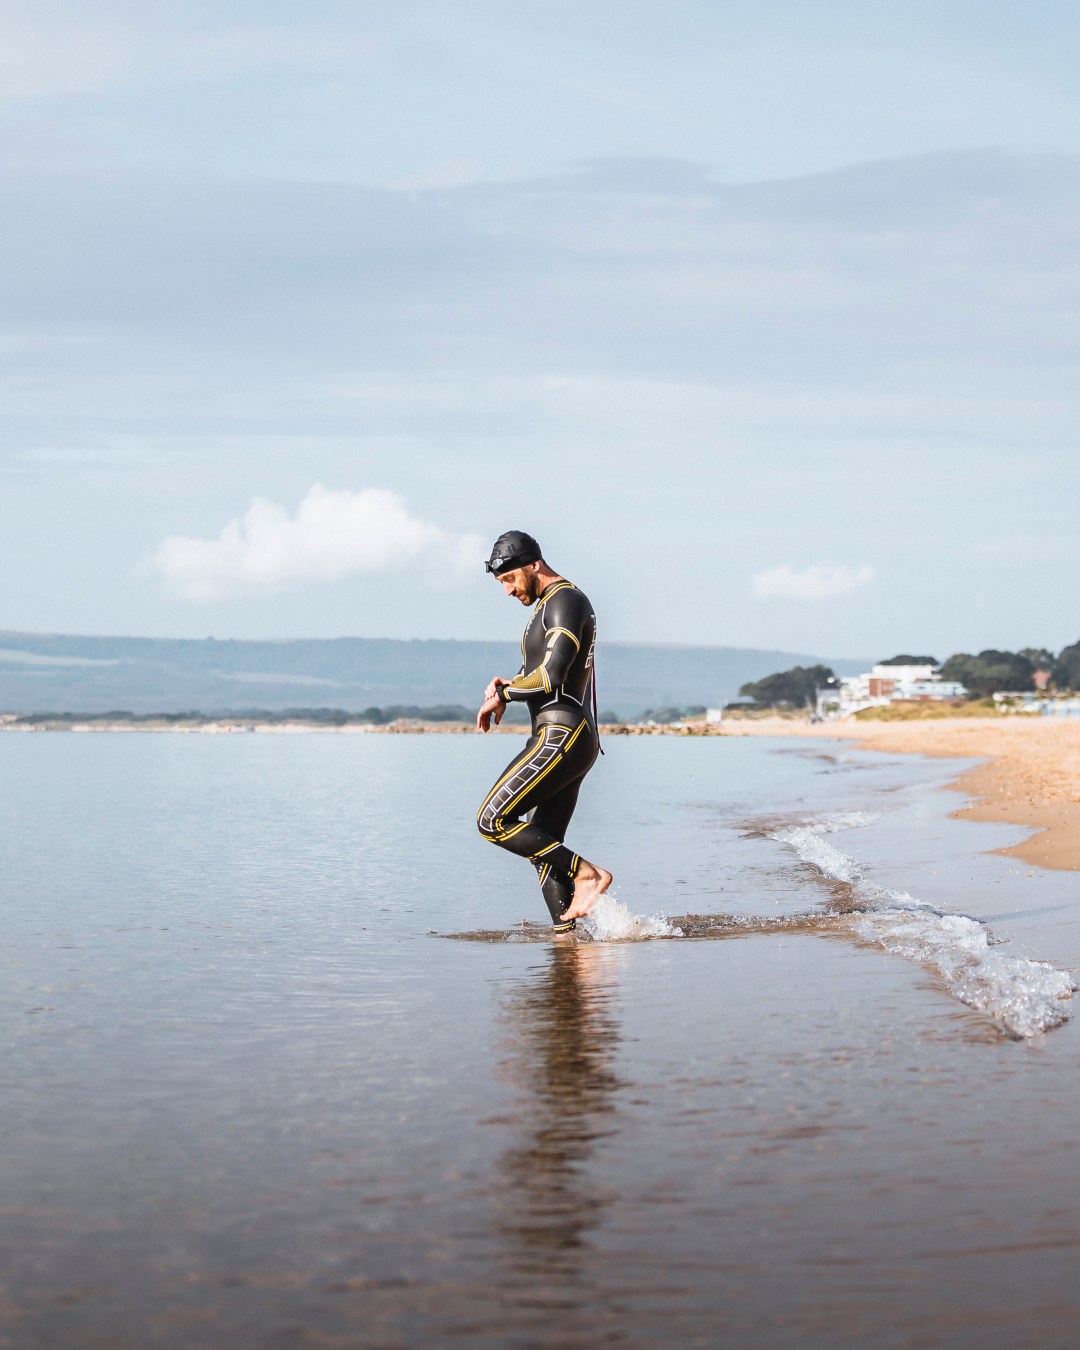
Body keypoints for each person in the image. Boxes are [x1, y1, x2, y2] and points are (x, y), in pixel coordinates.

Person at [475, 530, 612, 934]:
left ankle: (589, 874)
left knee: (492, 821)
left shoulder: (566, 600)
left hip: (562, 734)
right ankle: (570, 945)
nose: (507, 591)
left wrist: (507, 693)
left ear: (533, 565)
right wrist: (507, 685)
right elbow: (541, 668)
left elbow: (552, 677)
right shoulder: (550, 607)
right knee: (542, 846)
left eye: (510, 579)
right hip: (566, 736)